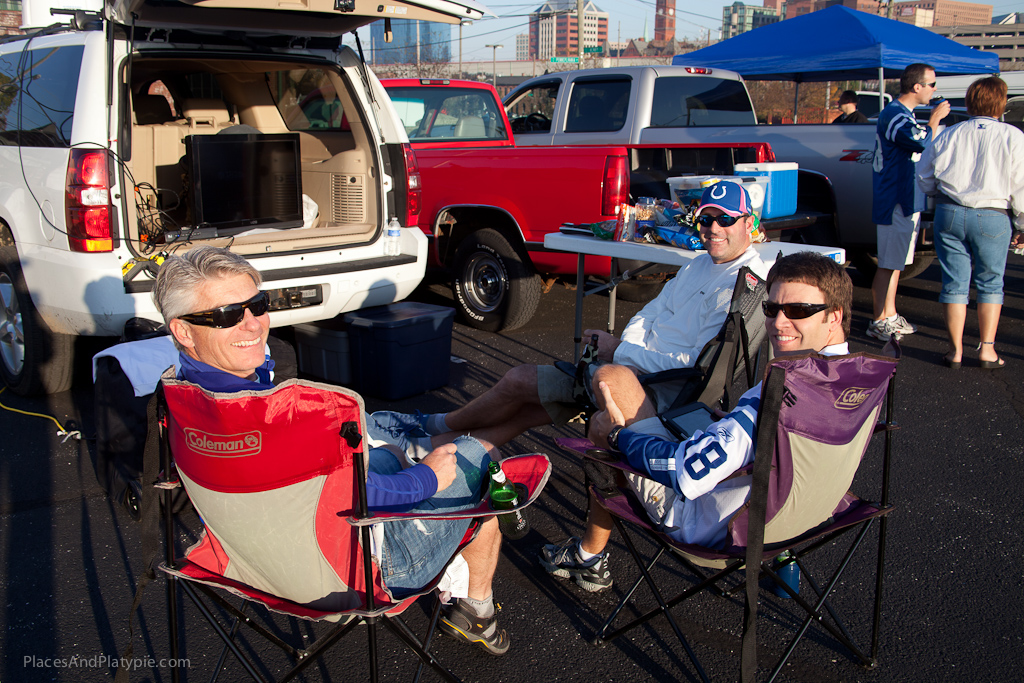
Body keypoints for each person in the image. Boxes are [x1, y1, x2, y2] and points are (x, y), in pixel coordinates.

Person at [153, 246, 511, 655]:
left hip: (247, 564)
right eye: (226, 315)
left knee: (385, 453)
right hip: (351, 576)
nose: (252, 324)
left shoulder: (181, 397)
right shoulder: (270, 415)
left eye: (258, 305)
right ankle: (476, 610)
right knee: (476, 457)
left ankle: (422, 465)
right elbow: (349, 496)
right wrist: (427, 478)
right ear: (183, 331)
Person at [538, 252, 851, 592]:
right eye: (771, 309)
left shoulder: (778, 393)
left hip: (709, 521)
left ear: (834, 316)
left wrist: (616, 437)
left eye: (798, 311)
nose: (778, 323)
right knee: (671, 418)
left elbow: (687, 473)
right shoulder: (861, 378)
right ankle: (783, 563)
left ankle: (588, 557)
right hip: (808, 512)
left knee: (612, 395)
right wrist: (736, 433)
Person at [414, 181, 769, 445]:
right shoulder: (698, 264)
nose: (713, 229)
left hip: (655, 392)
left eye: (725, 219)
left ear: (749, 222)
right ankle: (434, 442)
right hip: (629, 369)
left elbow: (694, 366)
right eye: (705, 219)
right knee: (526, 403)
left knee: (521, 384)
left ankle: (433, 428)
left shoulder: (741, 286)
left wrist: (621, 353)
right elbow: (647, 314)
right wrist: (624, 350)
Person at [918, 76, 1024, 370]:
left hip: (950, 211)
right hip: (994, 214)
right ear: (1002, 103)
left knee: (954, 282)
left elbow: (924, 175)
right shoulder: (1013, 136)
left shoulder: (949, 134)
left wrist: (937, 193)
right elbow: (1021, 185)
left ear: (969, 102)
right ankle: (987, 350)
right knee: (991, 283)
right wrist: (1022, 224)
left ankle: (955, 351)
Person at [868, 63, 950, 342]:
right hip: (895, 199)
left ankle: (889, 315)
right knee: (887, 263)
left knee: (896, 263)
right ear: (917, 86)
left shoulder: (904, 114)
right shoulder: (894, 114)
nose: (935, 90)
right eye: (932, 84)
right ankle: (878, 320)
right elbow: (919, 141)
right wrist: (934, 120)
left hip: (906, 199)